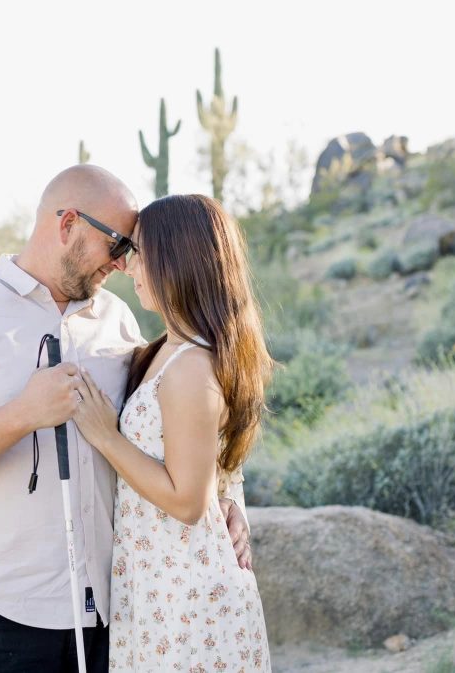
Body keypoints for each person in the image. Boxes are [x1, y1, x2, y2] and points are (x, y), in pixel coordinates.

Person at [0, 166, 252, 673]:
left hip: (120, 610)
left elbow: (179, 422)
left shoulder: (119, 320)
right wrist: (23, 414)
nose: (122, 262)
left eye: (131, 249)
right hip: (7, 615)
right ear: (67, 223)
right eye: (116, 243)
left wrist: (223, 493)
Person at [71, 193, 273, 671]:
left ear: (176, 261)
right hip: (163, 590)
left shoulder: (190, 368)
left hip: (188, 602)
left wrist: (105, 436)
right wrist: (230, 502)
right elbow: (213, 468)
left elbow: (187, 501)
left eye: (137, 252)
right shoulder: (167, 350)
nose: (125, 266)